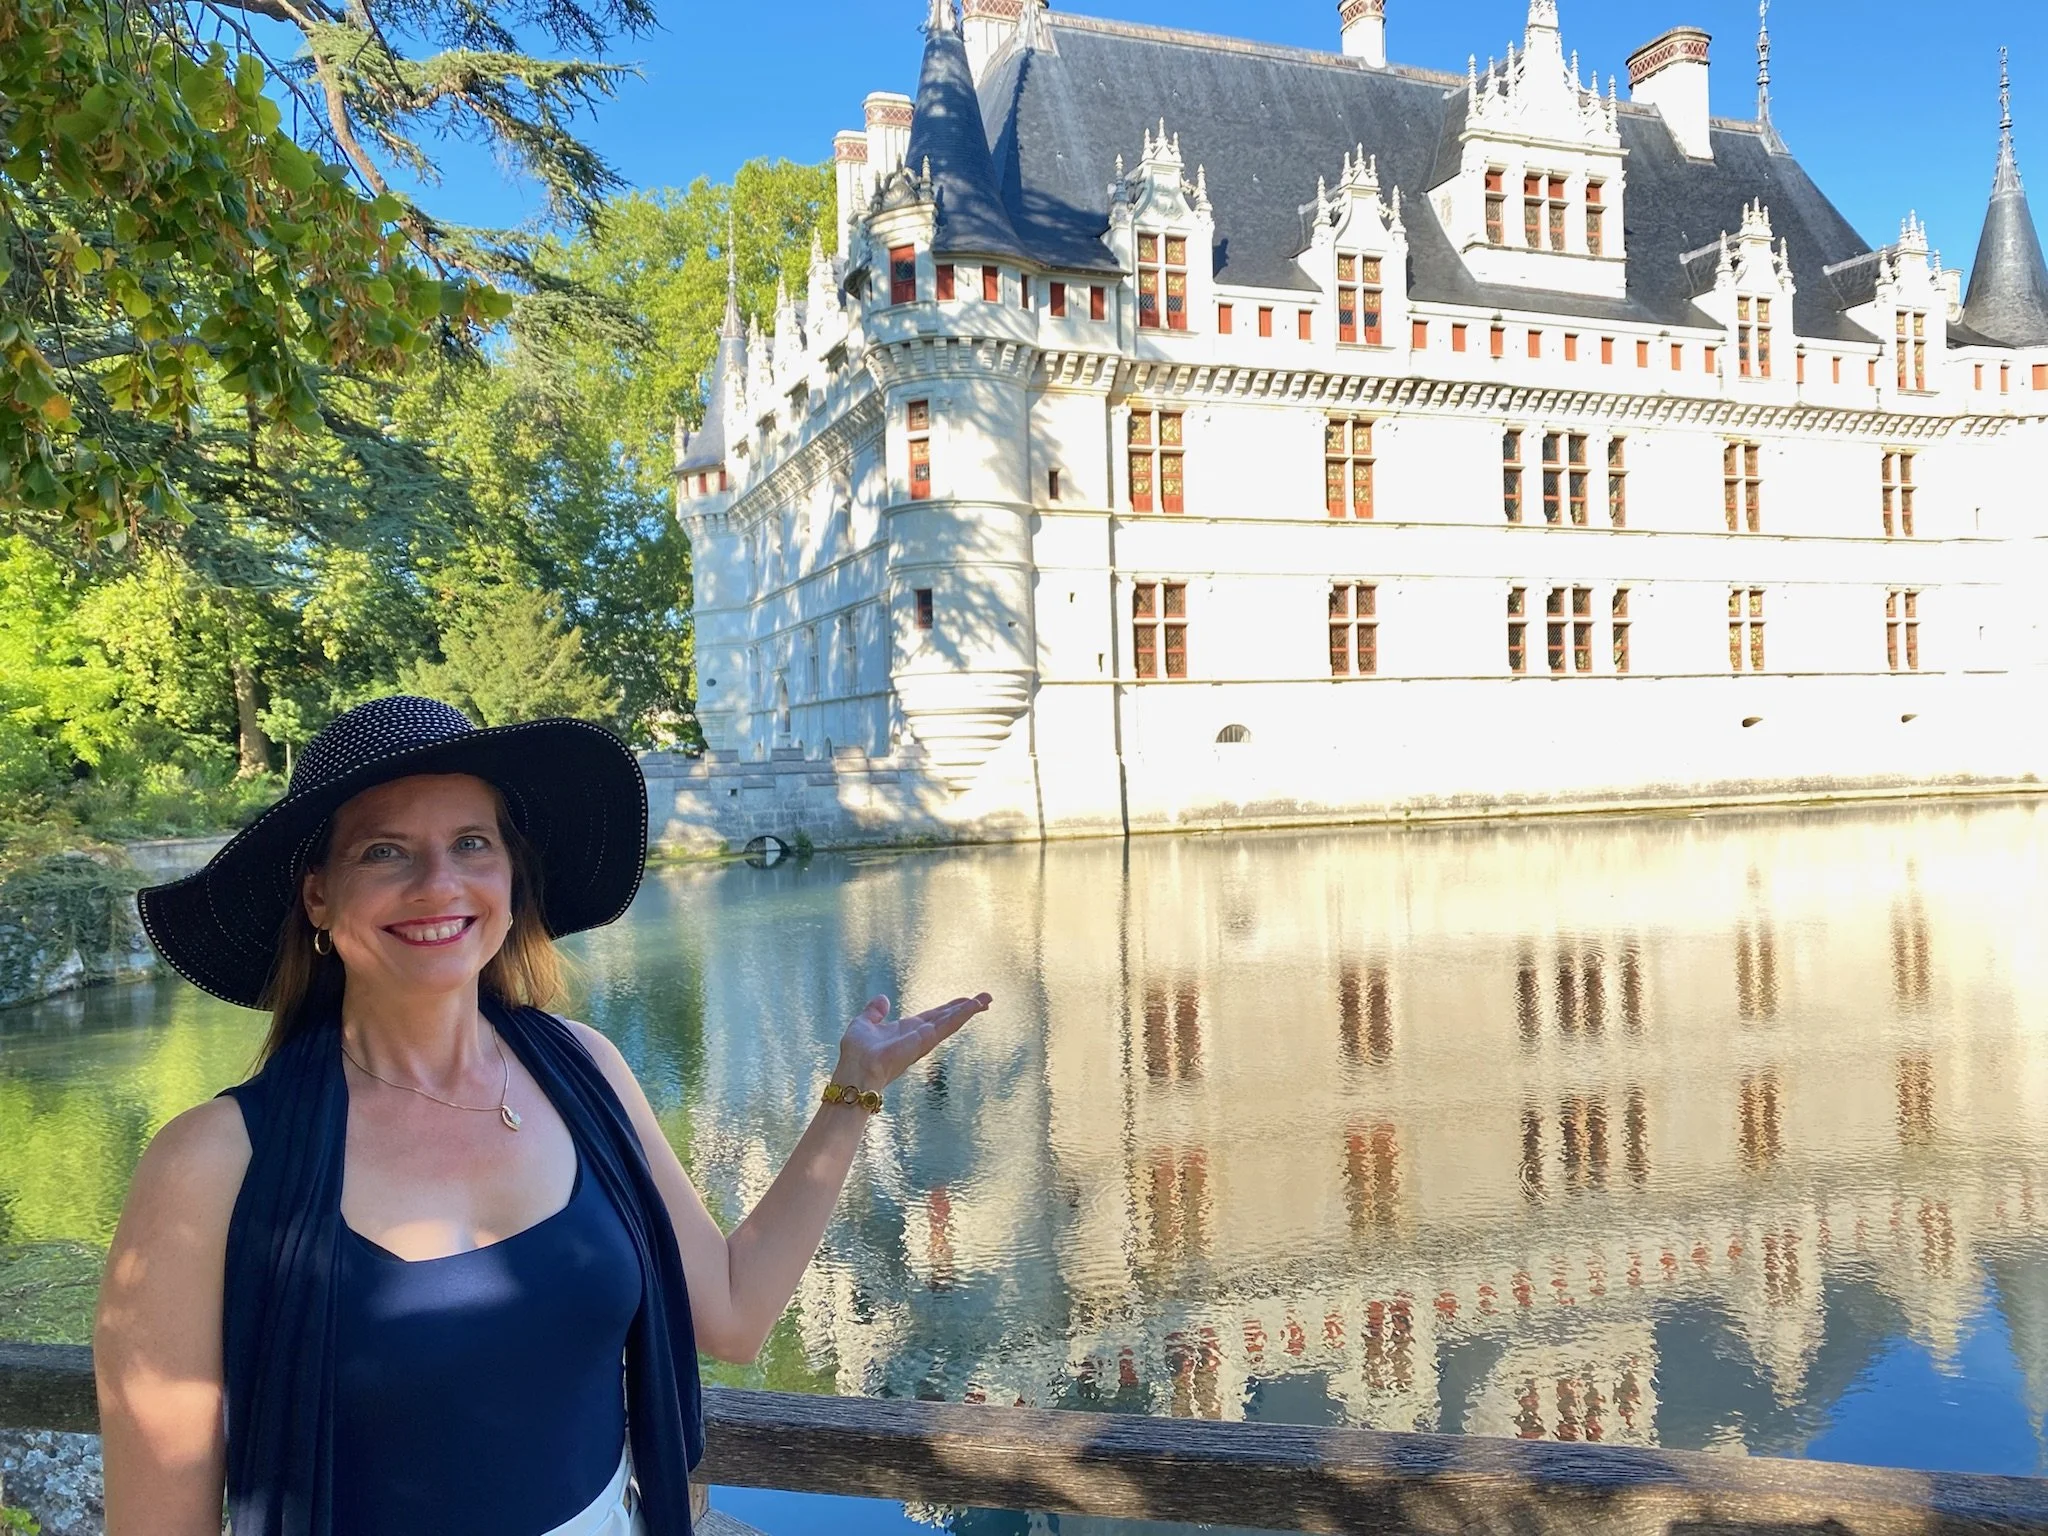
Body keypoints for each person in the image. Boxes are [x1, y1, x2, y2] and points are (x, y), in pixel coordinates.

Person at [94, 695, 990, 1536]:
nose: (439, 884)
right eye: (384, 852)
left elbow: (731, 1311)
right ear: (318, 897)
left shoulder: (582, 1068)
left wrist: (852, 1093)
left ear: (513, 876)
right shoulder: (211, 1164)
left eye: (473, 843)